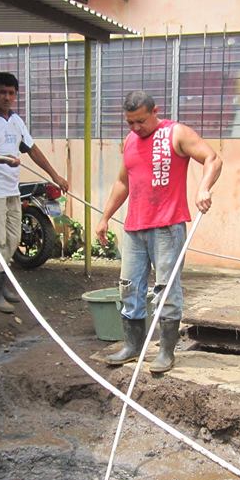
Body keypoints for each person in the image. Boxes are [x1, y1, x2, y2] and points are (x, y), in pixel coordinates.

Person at [94, 90, 222, 373]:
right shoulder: (129, 142)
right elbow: (122, 183)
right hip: (134, 229)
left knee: (165, 289)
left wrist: (203, 187)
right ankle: (132, 346)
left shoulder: (176, 133)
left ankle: (165, 351)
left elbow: (212, 158)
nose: (136, 128)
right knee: (128, 287)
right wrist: (105, 218)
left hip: (167, 227)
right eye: (130, 123)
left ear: (155, 111)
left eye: (141, 121)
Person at [0, 72, 70, 313]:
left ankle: (1, 284)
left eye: (11, 93)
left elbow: (32, 150)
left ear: (16, 95)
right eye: (2, 92)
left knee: (13, 238)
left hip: (11, 188)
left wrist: (56, 176)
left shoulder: (16, 121)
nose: (7, 97)